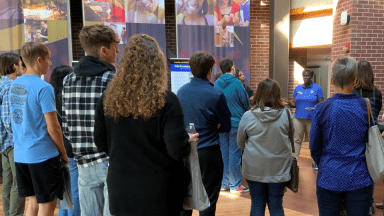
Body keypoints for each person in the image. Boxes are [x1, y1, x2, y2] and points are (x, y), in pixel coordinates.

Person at [94, 34, 198, 216]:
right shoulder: (166, 101)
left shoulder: (107, 100)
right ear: (157, 65)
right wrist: (185, 140)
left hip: (121, 186)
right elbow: (177, 150)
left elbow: (101, 142)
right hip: (159, 189)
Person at [62, 24, 119, 216]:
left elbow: (66, 125)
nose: (117, 50)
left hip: (83, 162)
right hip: (110, 159)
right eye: (114, 46)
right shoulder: (113, 79)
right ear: (104, 50)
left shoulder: (68, 80)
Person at [9, 42, 69, 216]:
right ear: (39, 60)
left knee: (32, 203)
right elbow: (53, 127)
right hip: (42, 155)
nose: (50, 63)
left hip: (21, 154)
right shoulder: (44, 87)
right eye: (48, 59)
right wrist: (63, 153)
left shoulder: (15, 84)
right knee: (47, 205)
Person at [310, 56, 374, 216]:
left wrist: (324, 163)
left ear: (332, 80)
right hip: (359, 177)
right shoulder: (366, 106)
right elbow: (370, 141)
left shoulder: (321, 109)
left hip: (329, 176)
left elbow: (314, 146)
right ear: (355, 79)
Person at [178, 51, 231, 216]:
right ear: (210, 71)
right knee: (208, 201)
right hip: (209, 153)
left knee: (185, 201)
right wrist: (215, 126)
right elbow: (227, 126)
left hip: (185, 152)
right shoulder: (216, 94)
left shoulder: (180, 92)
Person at [238, 78, 292, 216]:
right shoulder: (286, 114)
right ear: (277, 94)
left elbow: (240, 143)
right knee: (276, 206)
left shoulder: (248, 116)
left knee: (257, 204)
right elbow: (292, 137)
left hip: (254, 167)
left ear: (258, 94)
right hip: (279, 168)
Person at [352, 60, 383, 216]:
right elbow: (375, 116)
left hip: (354, 137)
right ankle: (369, 204)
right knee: (370, 170)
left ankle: (353, 202)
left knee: (355, 168)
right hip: (370, 138)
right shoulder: (377, 93)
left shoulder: (352, 93)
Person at [215, 58, 250, 193]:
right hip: (236, 123)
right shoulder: (237, 83)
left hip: (221, 124)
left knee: (224, 154)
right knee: (235, 154)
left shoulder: (217, 83)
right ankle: (235, 185)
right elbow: (245, 102)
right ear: (233, 68)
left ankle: (224, 183)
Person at [50, 65, 81, 216]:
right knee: (74, 188)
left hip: (54, 148)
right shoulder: (71, 95)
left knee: (64, 190)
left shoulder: (49, 97)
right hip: (71, 147)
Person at [0, 53, 26, 216]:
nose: (23, 66)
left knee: (8, 183)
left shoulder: (2, 84)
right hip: (12, 142)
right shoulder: (10, 86)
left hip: (4, 143)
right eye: (20, 63)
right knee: (19, 183)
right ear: (14, 66)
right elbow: (8, 118)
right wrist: (19, 139)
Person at [284, 69, 324, 170]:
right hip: (298, 118)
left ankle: (315, 161)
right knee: (296, 140)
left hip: (312, 119)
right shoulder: (298, 88)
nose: (305, 77)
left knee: (313, 140)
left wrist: (315, 110)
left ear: (311, 77)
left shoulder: (317, 88)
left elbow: (321, 105)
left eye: (307, 76)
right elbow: (294, 104)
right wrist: (288, 103)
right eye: (304, 76)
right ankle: (294, 161)